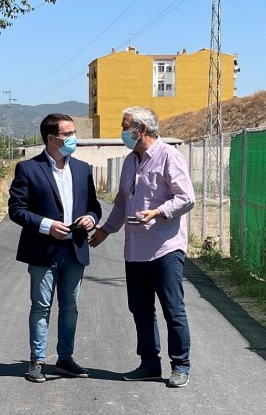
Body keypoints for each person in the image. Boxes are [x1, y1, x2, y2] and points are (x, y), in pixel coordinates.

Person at [89, 106, 195, 388]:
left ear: (142, 129)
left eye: (126, 127)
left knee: (173, 309)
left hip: (165, 248)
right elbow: (122, 203)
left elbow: (186, 198)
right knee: (140, 309)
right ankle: (149, 364)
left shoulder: (169, 156)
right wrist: (106, 230)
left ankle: (180, 365)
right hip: (135, 249)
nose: (122, 132)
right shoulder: (129, 161)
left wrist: (158, 212)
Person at [8, 113, 102, 383]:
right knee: (41, 306)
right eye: (68, 134)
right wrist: (46, 225)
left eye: (74, 133)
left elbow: (94, 206)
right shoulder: (28, 168)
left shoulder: (83, 169)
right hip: (43, 249)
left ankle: (65, 358)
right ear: (51, 138)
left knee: (70, 306)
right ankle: (37, 360)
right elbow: (16, 210)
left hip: (75, 248)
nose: (74, 138)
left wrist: (91, 218)